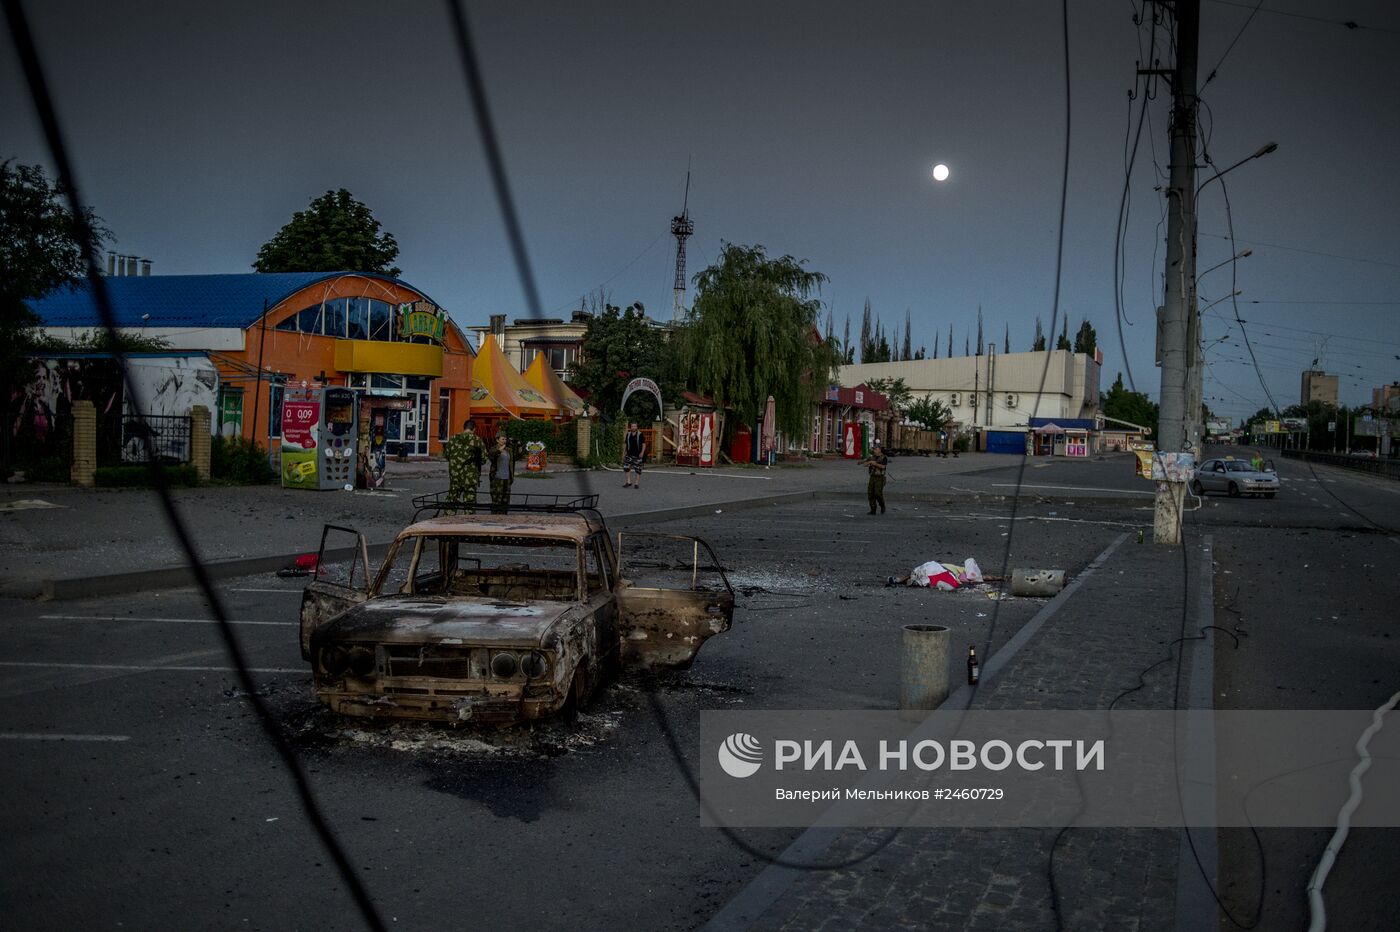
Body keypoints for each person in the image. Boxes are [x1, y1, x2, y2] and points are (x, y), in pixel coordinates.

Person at [443, 418, 487, 511]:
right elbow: (483, 460)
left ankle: (447, 521)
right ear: (474, 429)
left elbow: (447, 456)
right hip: (470, 477)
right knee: (469, 502)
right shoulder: (477, 440)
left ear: (464, 428)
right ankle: (468, 522)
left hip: (455, 475)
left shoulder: (453, 439)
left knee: (452, 499)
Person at [488, 433, 515, 513]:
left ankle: (503, 517)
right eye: (503, 439)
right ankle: (495, 517)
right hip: (497, 479)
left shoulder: (508, 450)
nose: (504, 441)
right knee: (496, 500)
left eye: (505, 439)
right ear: (497, 440)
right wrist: (499, 450)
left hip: (507, 479)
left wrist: (520, 446)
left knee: (505, 501)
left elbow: (517, 456)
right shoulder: (494, 449)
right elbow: (491, 456)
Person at [862, 438, 888, 515]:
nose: (874, 451)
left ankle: (882, 505)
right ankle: (873, 509)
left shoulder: (884, 457)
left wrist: (874, 463)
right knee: (870, 493)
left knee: (877, 493)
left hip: (880, 477)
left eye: (876, 449)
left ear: (879, 449)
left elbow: (883, 466)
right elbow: (865, 464)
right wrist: (869, 462)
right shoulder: (872, 457)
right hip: (872, 477)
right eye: (874, 449)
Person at [622, 421, 647, 489]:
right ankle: (628, 482)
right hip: (629, 454)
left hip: (637, 455)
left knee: (638, 469)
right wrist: (624, 453)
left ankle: (636, 483)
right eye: (632, 426)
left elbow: (644, 444)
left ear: (637, 427)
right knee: (626, 468)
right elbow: (625, 444)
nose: (633, 427)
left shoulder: (640, 434)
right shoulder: (628, 434)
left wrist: (642, 452)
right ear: (630, 427)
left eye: (634, 426)